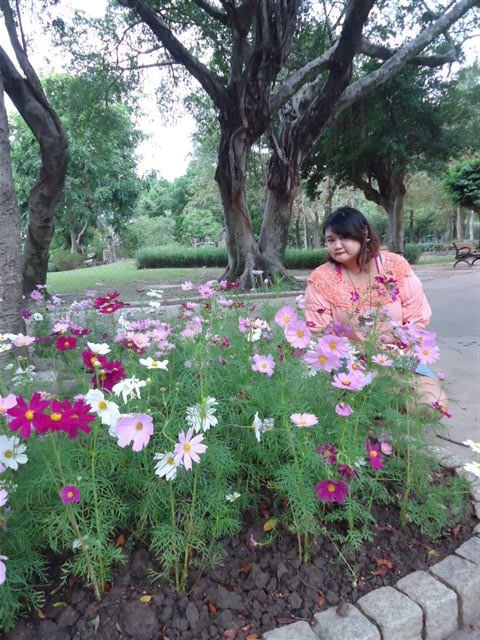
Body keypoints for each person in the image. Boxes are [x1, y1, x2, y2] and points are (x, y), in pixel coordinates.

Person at [304, 206, 447, 414]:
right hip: (352, 361)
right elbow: (318, 329)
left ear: (364, 233)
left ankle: (391, 411)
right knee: (383, 397)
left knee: (433, 406)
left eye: (344, 237)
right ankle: (378, 414)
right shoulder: (321, 278)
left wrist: (398, 339)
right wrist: (360, 346)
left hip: (400, 355)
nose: (337, 245)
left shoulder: (395, 266)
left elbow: (417, 315)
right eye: (331, 240)